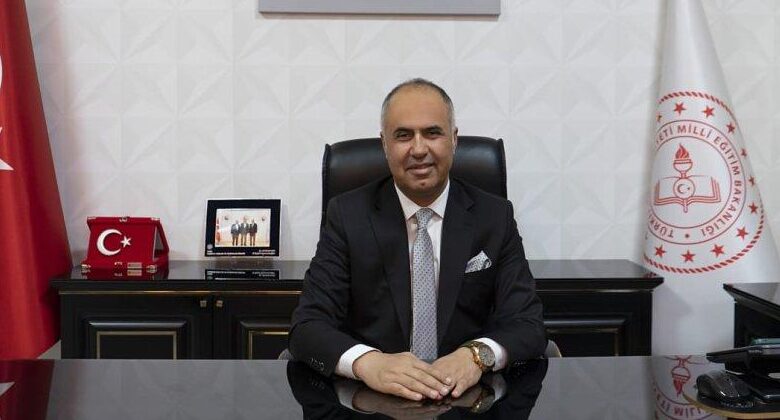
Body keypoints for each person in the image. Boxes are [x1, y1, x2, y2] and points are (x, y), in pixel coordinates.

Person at [289, 78, 546, 403]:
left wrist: (476, 355)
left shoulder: (494, 217)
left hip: (467, 399)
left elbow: (528, 324)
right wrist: (368, 363)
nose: (419, 149)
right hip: (372, 401)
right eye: (403, 135)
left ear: (454, 139)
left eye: (433, 133)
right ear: (384, 144)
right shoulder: (347, 215)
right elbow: (307, 326)